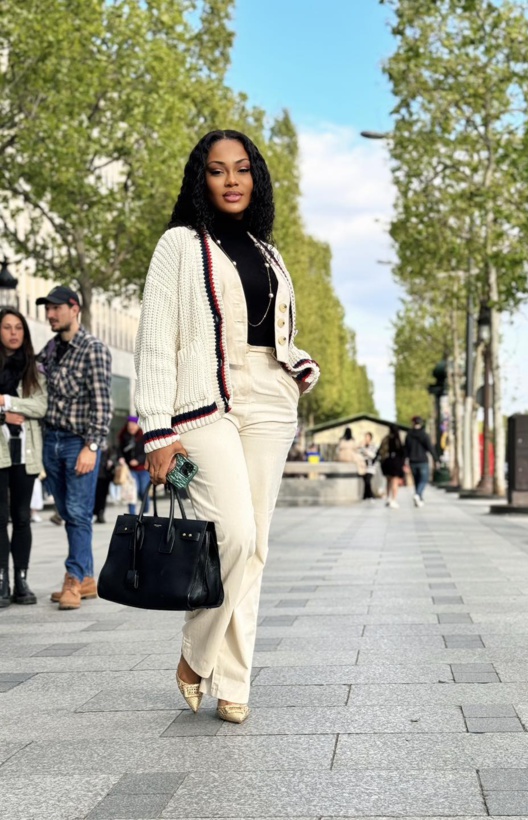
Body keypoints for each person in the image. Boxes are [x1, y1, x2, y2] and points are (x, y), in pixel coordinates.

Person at [134, 129, 319, 724]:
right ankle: (197, 654)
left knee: (257, 545)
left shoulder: (269, 251)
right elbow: (157, 341)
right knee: (232, 535)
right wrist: (157, 431)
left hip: (269, 398)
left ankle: (233, 683)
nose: (232, 180)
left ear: (255, 179)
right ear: (202, 179)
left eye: (242, 169)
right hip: (203, 404)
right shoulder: (180, 246)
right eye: (218, 170)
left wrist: (296, 362)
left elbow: (270, 331)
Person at [37, 286, 112, 610]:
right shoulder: (50, 350)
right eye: (47, 310)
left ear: (74, 308)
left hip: (77, 443)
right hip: (50, 441)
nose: (50, 315)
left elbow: (103, 404)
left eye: (56, 309)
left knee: (79, 514)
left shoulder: (93, 349)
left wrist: (92, 446)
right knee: (68, 514)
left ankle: (73, 578)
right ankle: (88, 579)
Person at [0, 308, 47, 607]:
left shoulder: (34, 367)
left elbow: (40, 406)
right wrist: (8, 412)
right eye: (7, 327)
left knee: (22, 518)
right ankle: (2, 581)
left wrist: (5, 401)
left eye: (19, 327)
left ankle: (22, 581)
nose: (14, 333)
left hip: (26, 452)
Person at [117, 415, 150, 515]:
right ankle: (132, 514)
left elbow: (148, 452)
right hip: (130, 469)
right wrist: (120, 458)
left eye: (133, 425)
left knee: (143, 491)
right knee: (131, 491)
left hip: (143, 469)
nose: (131, 427)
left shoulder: (144, 436)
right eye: (129, 425)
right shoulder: (124, 437)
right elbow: (119, 450)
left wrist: (138, 460)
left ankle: (145, 511)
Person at [405, 416, 438, 507]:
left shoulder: (409, 435)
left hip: (412, 461)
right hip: (422, 460)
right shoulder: (424, 435)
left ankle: (419, 499)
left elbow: (406, 449)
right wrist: (436, 459)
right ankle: (418, 494)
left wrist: (406, 460)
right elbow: (430, 448)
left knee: (416, 480)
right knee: (424, 479)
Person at [378, 425, 405, 509]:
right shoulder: (398, 440)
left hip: (386, 462)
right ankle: (394, 499)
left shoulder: (385, 439)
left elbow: (380, 450)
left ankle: (388, 497)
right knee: (395, 481)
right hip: (396, 462)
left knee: (388, 481)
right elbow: (402, 452)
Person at [93, 445, 115, 524]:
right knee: (93, 495)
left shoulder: (108, 449)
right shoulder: (93, 447)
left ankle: (100, 514)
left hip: (104, 476)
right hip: (94, 475)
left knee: (102, 496)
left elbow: (115, 457)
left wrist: (111, 462)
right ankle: (95, 513)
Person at [358, 431, 378, 500]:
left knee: (367, 481)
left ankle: (370, 495)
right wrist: (361, 446)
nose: (366, 438)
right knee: (365, 481)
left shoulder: (373, 446)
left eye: (367, 437)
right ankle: (367, 496)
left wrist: (365, 451)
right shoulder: (362, 446)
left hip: (371, 467)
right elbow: (359, 454)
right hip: (363, 467)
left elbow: (373, 455)